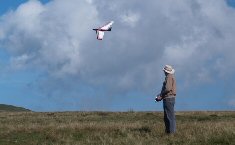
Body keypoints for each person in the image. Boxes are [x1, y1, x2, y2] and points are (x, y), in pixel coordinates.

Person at [156, 65, 176, 134]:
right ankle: (169, 132)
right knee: (167, 117)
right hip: (169, 98)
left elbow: (168, 88)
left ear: (166, 71)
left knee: (169, 117)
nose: (164, 72)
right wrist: (161, 96)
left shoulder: (169, 77)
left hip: (168, 98)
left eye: (164, 71)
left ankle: (171, 133)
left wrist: (161, 95)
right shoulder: (169, 77)